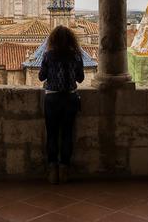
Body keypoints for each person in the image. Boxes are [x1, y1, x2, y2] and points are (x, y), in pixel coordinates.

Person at [39, 25, 84, 184]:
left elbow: (41, 76)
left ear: (53, 39)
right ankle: (64, 169)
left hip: (52, 100)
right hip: (70, 99)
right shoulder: (76, 56)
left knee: (52, 135)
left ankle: (52, 170)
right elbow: (80, 79)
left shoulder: (48, 55)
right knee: (67, 134)